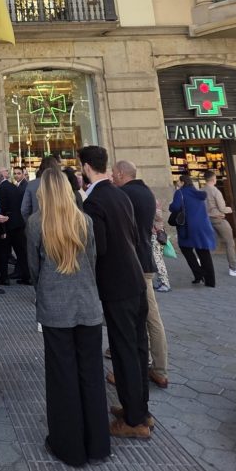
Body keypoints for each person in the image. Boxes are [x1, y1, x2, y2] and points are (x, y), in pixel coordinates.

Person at [27, 166, 110, 466]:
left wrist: (44, 291)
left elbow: (33, 270)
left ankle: (68, 446)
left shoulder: (36, 224)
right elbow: (92, 261)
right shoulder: (84, 221)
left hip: (55, 309)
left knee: (62, 377)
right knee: (91, 375)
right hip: (87, 305)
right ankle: (98, 444)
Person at [79, 146, 150, 439]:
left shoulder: (94, 201)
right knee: (137, 347)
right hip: (135, 280)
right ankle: (140, 409)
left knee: (123, 352)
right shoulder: (121, 194)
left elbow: (100, 248)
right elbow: (132, 235)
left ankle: (134, 421)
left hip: (116, 285)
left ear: (85, 167)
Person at [112, 161, 169, 390]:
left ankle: (152, 370)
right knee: (147, 317)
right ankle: (156, 367)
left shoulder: (123, 194)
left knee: (143, 318)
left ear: (122, 174)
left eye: (115, 174)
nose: (113, 177)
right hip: (144, 258)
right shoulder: (146, 192)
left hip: (131, 263)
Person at [170, 174, 216, 287]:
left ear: (182, 182)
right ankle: (210, 281)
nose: (177, 183)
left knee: (186, 249)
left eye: (178, 182)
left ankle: (199, 273)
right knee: (204, 253)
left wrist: (171, 205)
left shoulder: (180, 192)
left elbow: (175, 207)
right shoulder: (198, 193)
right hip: (203, 226)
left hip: (188, 227)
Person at [203, 170, 236, 277]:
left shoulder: (201, 190)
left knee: (213, 243)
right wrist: (230, 209)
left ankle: (202, 262)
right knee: (230, 243)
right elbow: (222, 208)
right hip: (218, 219)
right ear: (214, 179)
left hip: (207, 219)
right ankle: (233, 268)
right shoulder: (216, 191)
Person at [0, 167, 28, 285]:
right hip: (18, 223)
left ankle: (4, 278)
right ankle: (27, 276)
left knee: (3, 251)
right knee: (21, 251)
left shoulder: (1, 188)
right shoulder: (13, 187)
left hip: (7, 224)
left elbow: (1, 207)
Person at [20, 156, 59, 221]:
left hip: (37, 223)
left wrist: (30, 223)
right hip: (60, 223)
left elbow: (24, 209)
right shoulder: (62, 183)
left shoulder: (32, 184)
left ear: (41, 167)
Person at [152, 200, 171, 292]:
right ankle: (161, 281)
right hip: (155, 232)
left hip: (155, 233)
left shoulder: (153, 202)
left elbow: (159, 217)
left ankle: (165, 283)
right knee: (157, 259)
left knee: (157, 259)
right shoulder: (153, 201)